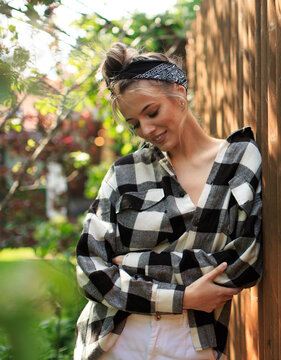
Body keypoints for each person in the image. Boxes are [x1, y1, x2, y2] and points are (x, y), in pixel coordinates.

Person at [74, 43, 263, 360]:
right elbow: (90, 269)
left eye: (151, 112)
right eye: (134, 123)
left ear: (179, 93)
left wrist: (132, 264)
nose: (146, 129)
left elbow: (246, 261)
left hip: (192, 343)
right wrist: (183, 296)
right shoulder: (124, 173)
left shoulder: (239, 159)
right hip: (113, 340)